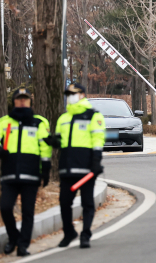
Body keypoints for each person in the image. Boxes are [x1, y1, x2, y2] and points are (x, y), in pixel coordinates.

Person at [0, 88, 52, 257]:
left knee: (28, 212)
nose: (22, 102)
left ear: (30, 101)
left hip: (31, 175)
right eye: (19, 99)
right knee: (5, 208)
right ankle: (13, 238)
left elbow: (45, 147)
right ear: (14, 101)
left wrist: (45, 170)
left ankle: (23, 245)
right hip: (9, 174)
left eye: (25, 99)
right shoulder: (4, 122)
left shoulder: (39, 123)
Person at [54, 83, 105, 249]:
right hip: (66, 168)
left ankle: (85, 234)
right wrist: (52, 141)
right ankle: (69, 232)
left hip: (86, 169)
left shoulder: (93, 116)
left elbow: (98, 140)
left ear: (82, 95)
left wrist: (96, 161)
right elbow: (60, 140)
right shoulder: (63, 118)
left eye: (73, 94)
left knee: (87, 203)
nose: (70, 97)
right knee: (64, 202)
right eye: (68, 94)